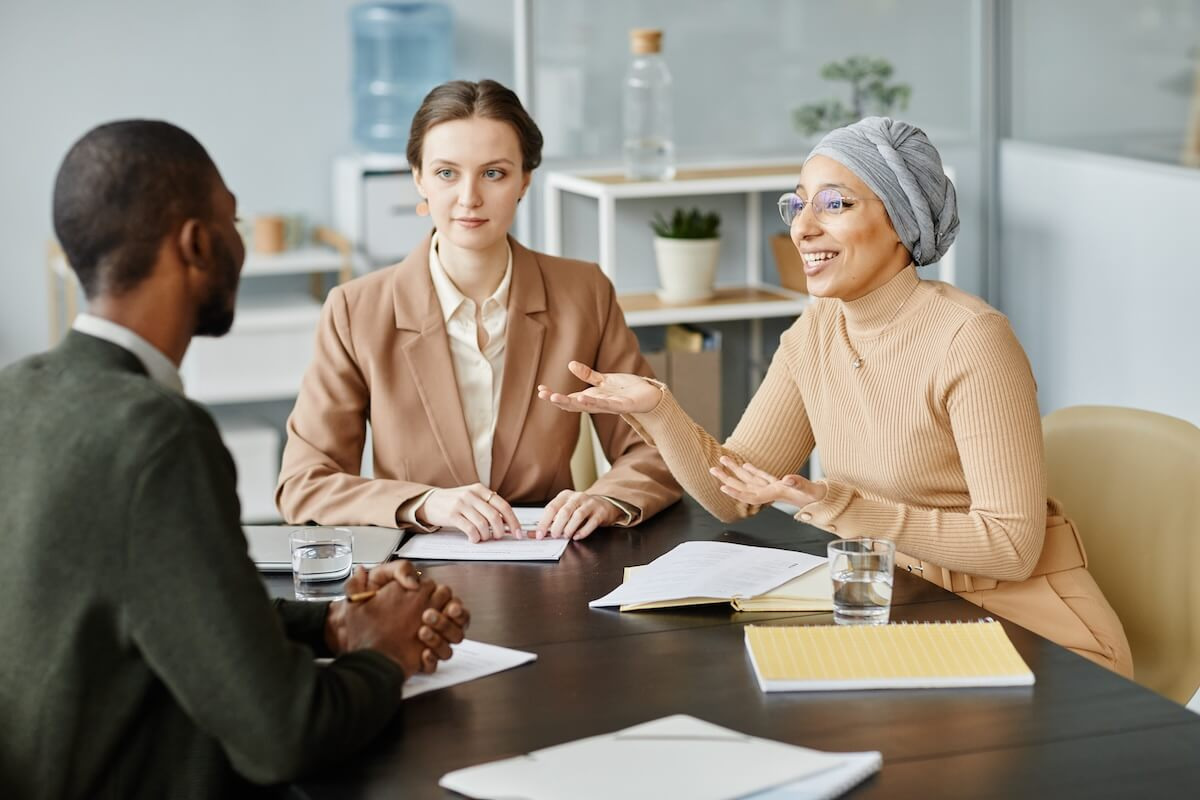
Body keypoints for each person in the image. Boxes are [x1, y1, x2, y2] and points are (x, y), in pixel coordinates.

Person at [539, 117, 1132, 676]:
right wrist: (659, 411)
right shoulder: (817, 329)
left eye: (835, 204)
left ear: (901, 221)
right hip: (899, 608)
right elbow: (734, 496)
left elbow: (1011, 548)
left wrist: (833, 502)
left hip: (1031, 629)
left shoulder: (972, 339)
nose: (802, 227)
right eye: (799, 204)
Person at [0, 120, 470, 800]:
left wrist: (335, 623)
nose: (239, 240)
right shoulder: (158, 434)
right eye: (233, 219)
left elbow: (161, 605)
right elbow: (283, 734)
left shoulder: (16, 394)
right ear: (196, 243)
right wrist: (384, 655)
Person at [277, 79, 680, 543]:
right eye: (447, 173)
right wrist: (425, 502)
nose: (469, 197)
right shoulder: (355, 310)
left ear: (525, 180)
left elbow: (655, 448)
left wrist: (605, 498)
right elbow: (304, 486)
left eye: (493, 173)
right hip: (413, 575)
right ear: (418, 177)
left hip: (549, 563)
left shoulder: (583, 292)